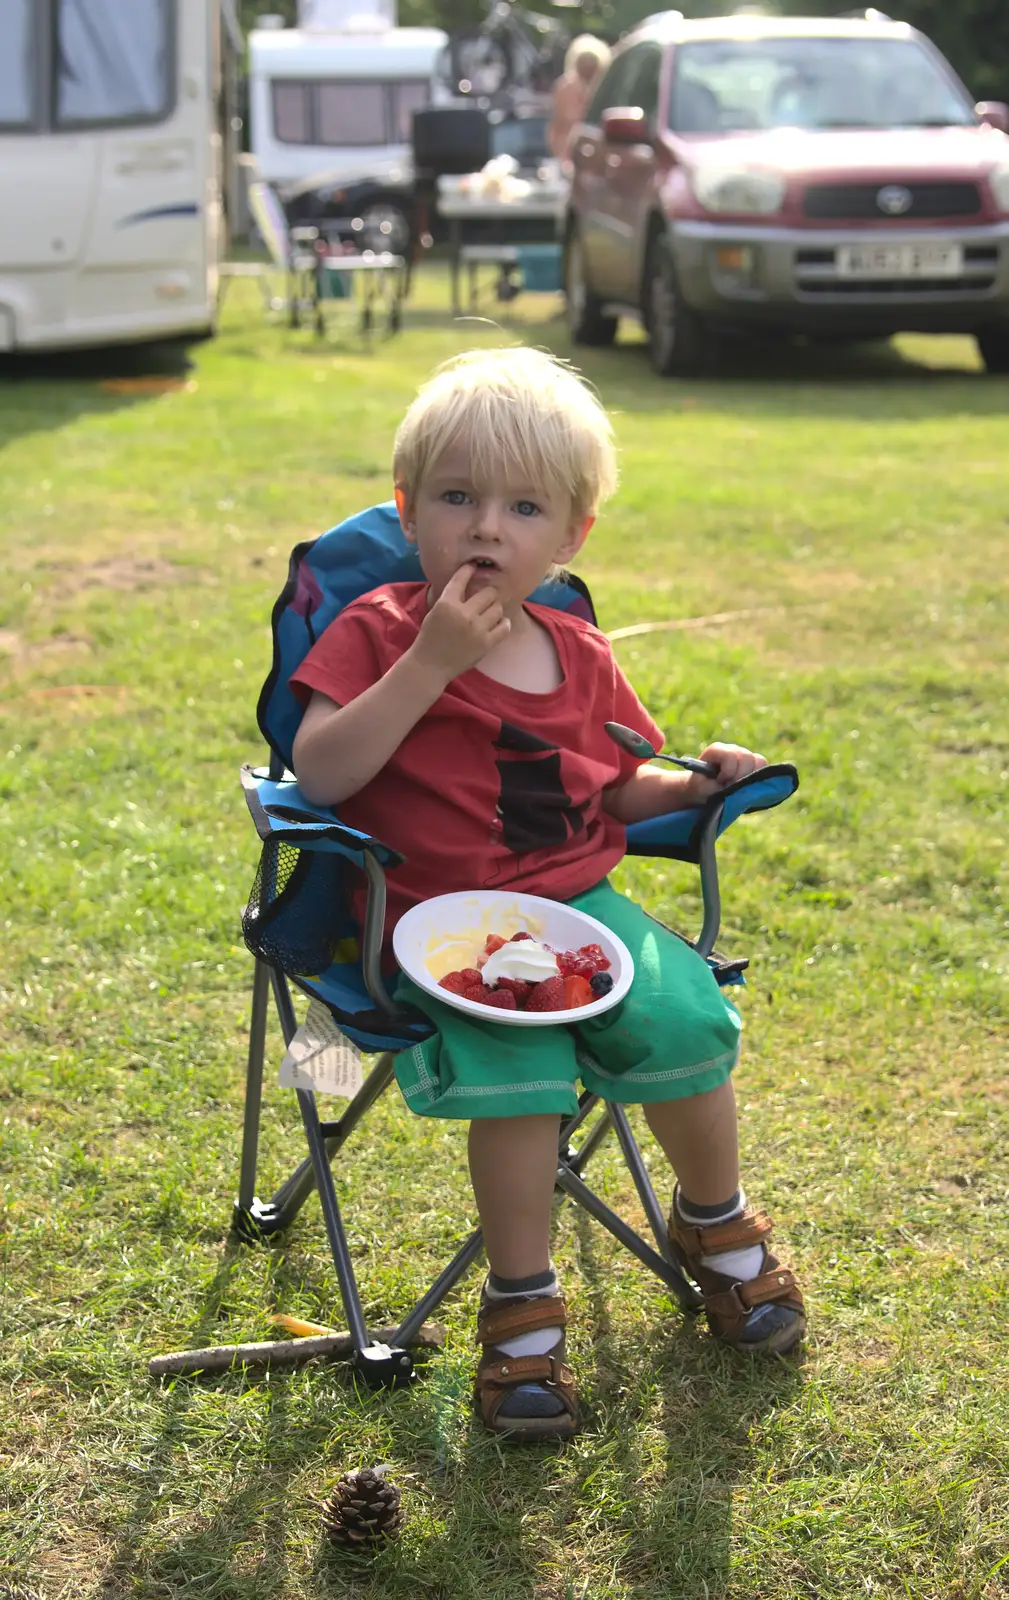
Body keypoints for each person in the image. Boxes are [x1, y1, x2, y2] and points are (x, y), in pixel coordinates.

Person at [290, 347, 805, 1441]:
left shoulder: (576, 648)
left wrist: (698, 783)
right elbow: (322, 772)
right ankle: (521, 1308)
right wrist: (428, 664)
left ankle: (712, 1221)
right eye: (457, 497)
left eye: (523, 507)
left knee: (685, 1014)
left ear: (570, 537)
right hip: (426, 923)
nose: (486, 528)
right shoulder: (378, 630)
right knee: (521, 1069)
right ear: (406, 508)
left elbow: (616, 786)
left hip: (579, 911)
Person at [548, 34, 611, 159]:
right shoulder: (564, 87)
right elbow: (558, 123)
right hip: (567, 150)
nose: (587, 66)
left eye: (591, 63)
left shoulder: (605, 87)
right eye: (584, 62)